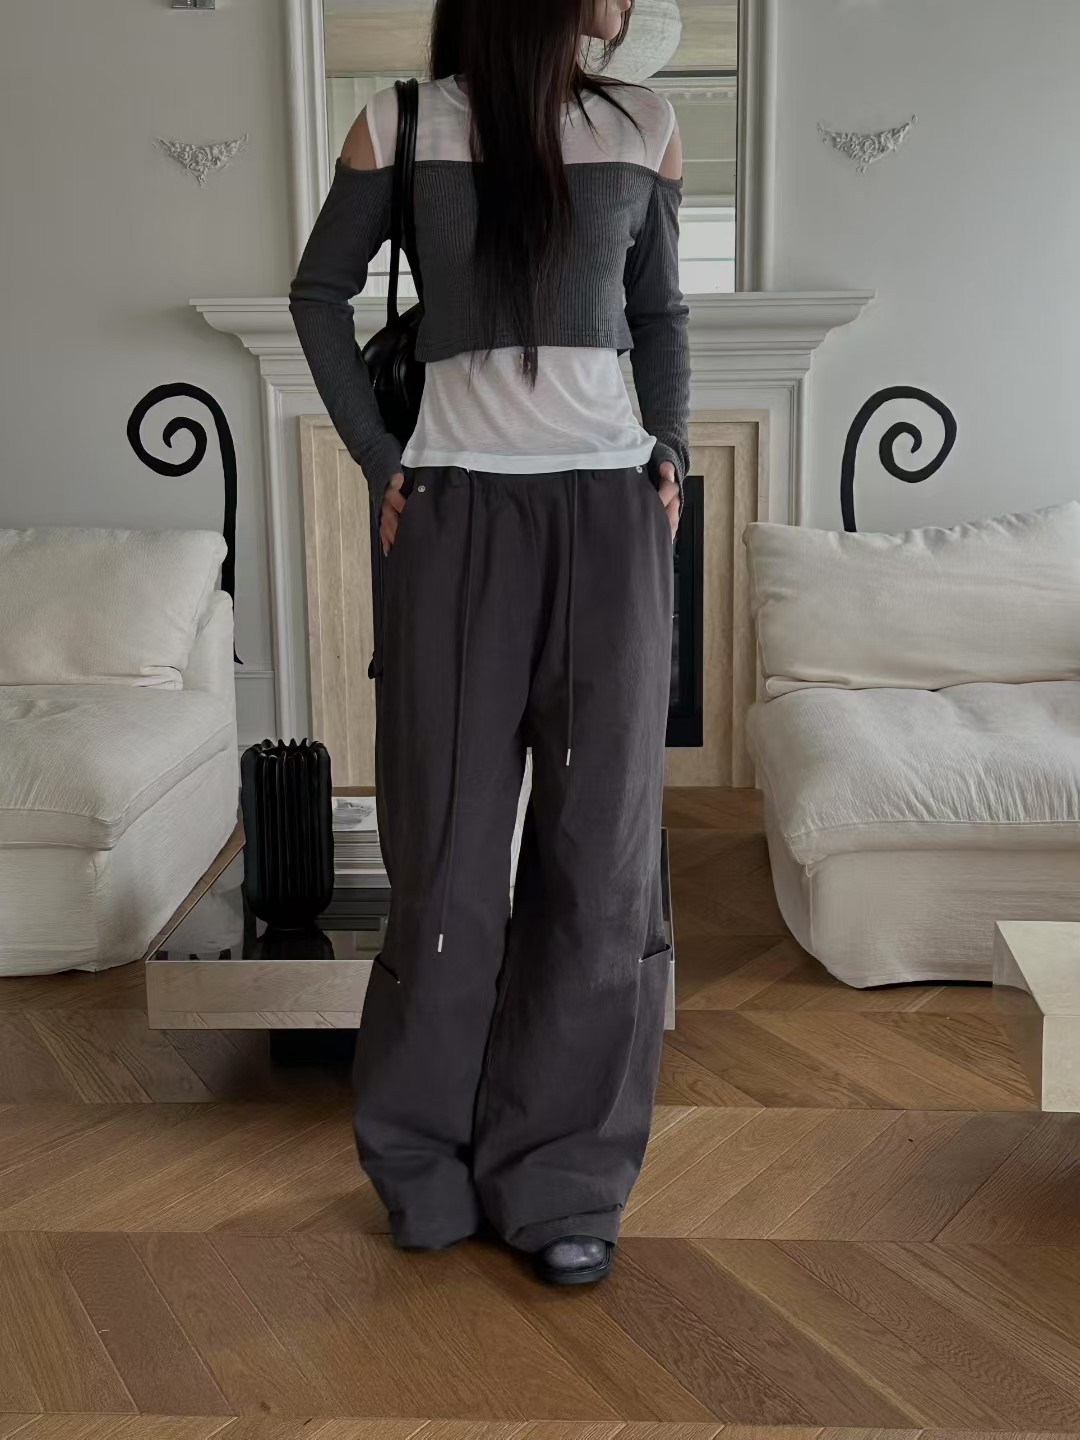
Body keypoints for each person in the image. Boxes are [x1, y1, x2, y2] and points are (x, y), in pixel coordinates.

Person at [288, 0, 690, 1287]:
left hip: (610, 520)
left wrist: (671, 448)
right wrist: (381, 457)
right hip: (457, 518)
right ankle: (423, 1165)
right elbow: (318, 294)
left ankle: (564, 1179)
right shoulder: (402, 124)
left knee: (599, 863)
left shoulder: (645, 123)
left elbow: (661, 315)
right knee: (446, 860)